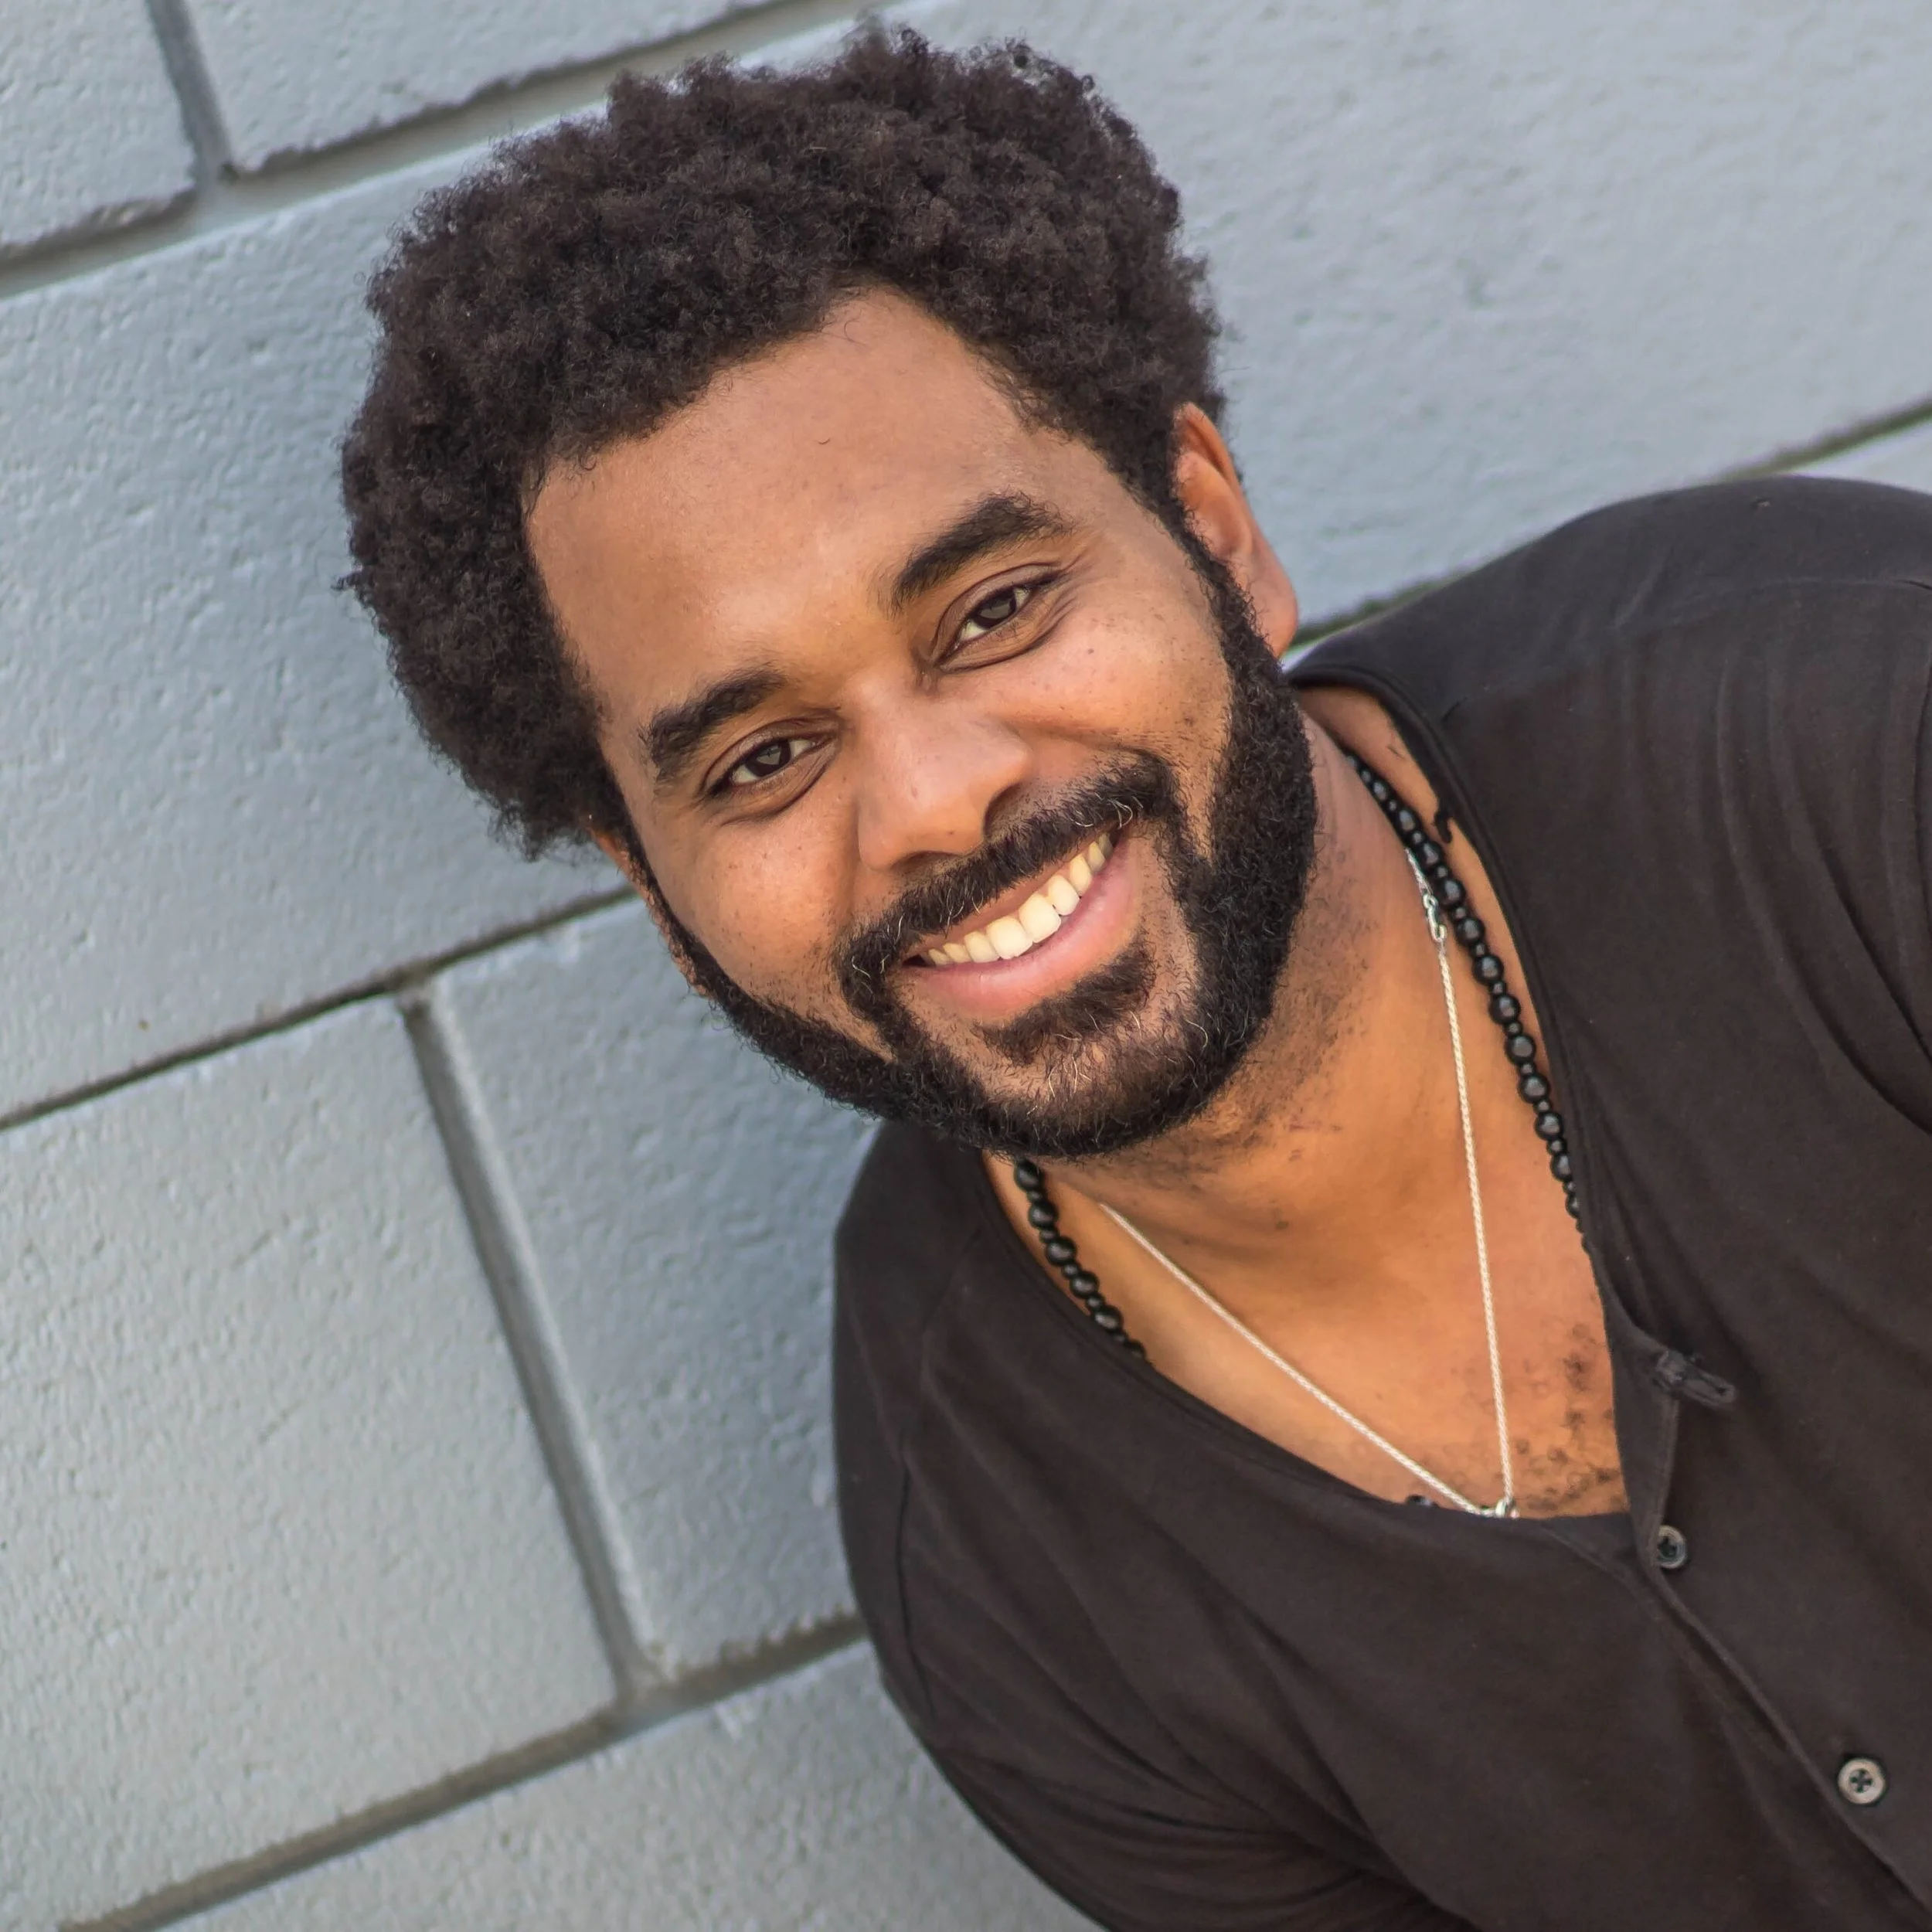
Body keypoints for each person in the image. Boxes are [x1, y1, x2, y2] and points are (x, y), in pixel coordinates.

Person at [340, 29, 1932, 1930]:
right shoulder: (999, 1554)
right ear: (655, 888)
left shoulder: (1845, 749)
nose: (934, 800)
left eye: (996, 609)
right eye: (761, 760)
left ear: (1213, 532)